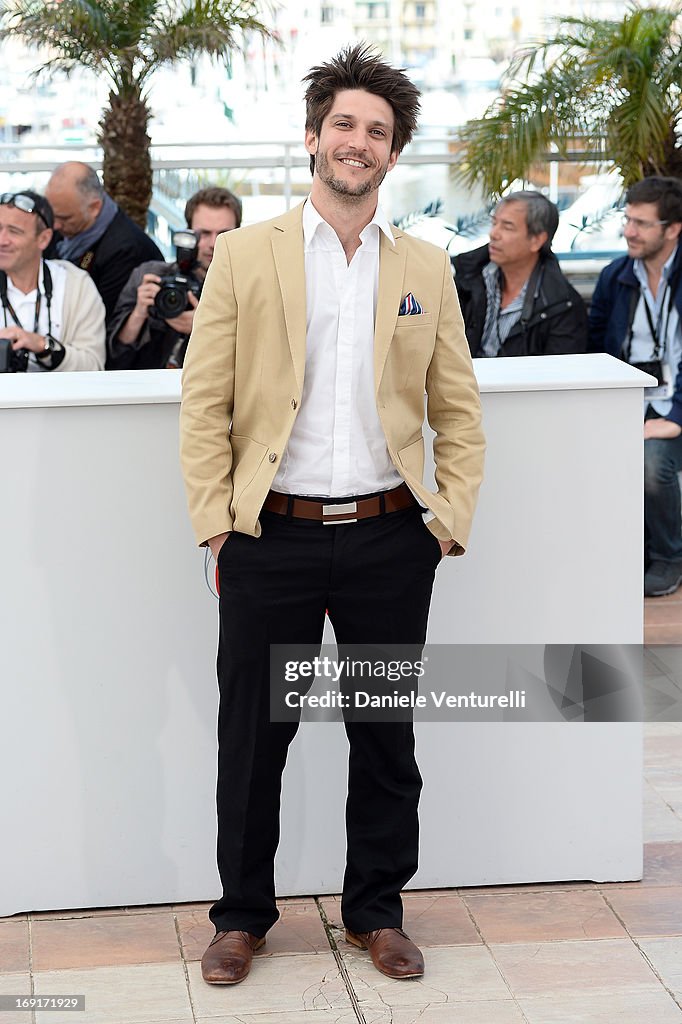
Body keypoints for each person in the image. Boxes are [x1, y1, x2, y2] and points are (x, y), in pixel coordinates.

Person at [180, 44, 485, 986]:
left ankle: (376, 913)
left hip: (394, 538)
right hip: (272, 537)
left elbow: (457, 410)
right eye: (345, 125)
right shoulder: (246, 254)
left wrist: (446, 522)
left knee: (384, 735)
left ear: (394, 157)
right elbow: (206, 401)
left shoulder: (426, 268)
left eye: (379, 133)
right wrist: (217, 525)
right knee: (252, 740)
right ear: (314, 138)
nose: (360, 143)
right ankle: (241, 917)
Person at [589, 176, 682, 597]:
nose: (629, 231)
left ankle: (667, 557)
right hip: (630, 404)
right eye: (628, 220)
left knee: (652, 460)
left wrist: (676, 418)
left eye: (642, 223)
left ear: (673, 228)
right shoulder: (616, 276)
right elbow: (595, 348)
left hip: (676, 407)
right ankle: (625, 553)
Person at [106, 187, 242, 370]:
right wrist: (138, 313)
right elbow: (114, 355)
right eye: (204, 234)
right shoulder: (152, 275)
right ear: (189, 233)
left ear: (239, 234)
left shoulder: (249, 287)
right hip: (148, 388)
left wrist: (207, 327)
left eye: (223, 234)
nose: (213, 243)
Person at [453, 191, 588, 357]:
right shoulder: (467, 277)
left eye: (507, 227)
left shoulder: (563, 306)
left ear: (537, 240)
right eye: (494, 223)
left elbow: (560, 377)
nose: (494, 234)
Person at [45, 162, 162, 325]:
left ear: (94, 208)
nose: (55, 226)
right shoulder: (67, 230)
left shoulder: (126, 250)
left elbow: (102, 320)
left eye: (65, 218)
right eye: (52, 216)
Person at [0, 191, 105, 371]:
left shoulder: (76, 285)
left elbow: (93, 366)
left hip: (62, 398)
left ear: (44, 239)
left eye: (14, 232)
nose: (2, 240)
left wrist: (43, 346)